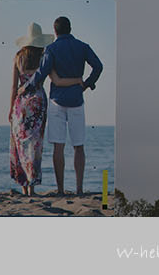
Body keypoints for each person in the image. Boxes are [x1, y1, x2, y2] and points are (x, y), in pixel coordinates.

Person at [22, 16, 104, 195]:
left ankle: (60, 190)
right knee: (79, 146)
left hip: (57, 102)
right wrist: (88, 83)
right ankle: (79, 189)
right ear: (70, 28)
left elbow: (41, 74)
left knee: (58, 147)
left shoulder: (51, 49)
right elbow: (98, 66)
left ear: (55, 31)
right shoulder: (83, 46)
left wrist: (25, 89)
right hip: (77, 100)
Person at [7, 22, 83, 196]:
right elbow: (56, 81)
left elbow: (13, 87)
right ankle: (32, 187)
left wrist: (11, 108)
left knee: (20, 144)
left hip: (21, 104)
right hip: (38, 104)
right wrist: (77, 81)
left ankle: (24, 187)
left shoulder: (18, 57)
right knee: (35, 145)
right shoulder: (44, 56)